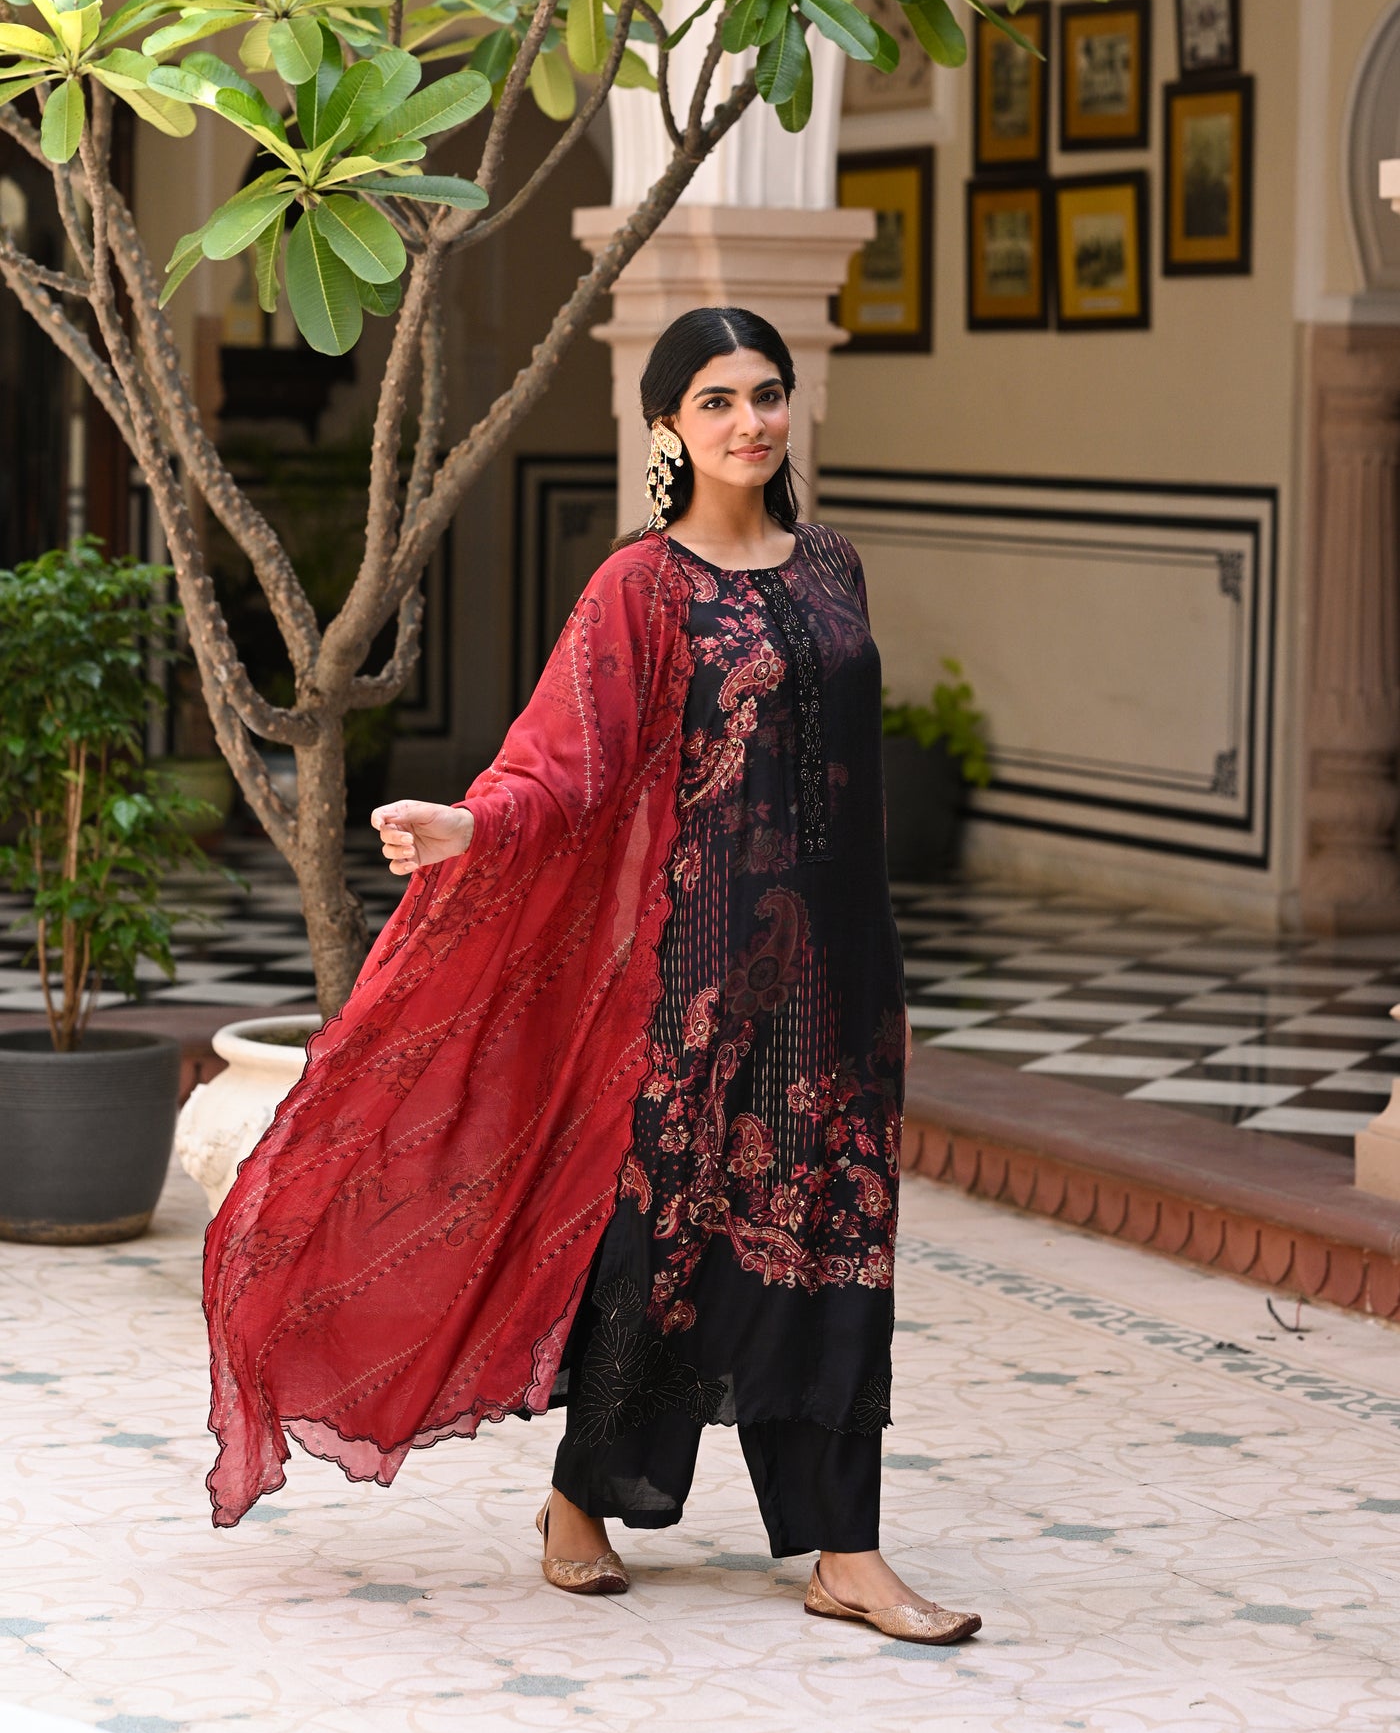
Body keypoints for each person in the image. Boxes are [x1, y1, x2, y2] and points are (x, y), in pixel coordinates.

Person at [202, 306, 980, 1647]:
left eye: (768, 396)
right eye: (720, 402)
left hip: (842, 979)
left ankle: (845, 1550)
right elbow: (569, 757)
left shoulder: (834, 568)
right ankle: (582, 1497)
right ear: (669, 426)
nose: (752, 423)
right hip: (700, 978)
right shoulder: (642, 588)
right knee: (665, 1245)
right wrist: (471, 826)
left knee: (841, 1250)